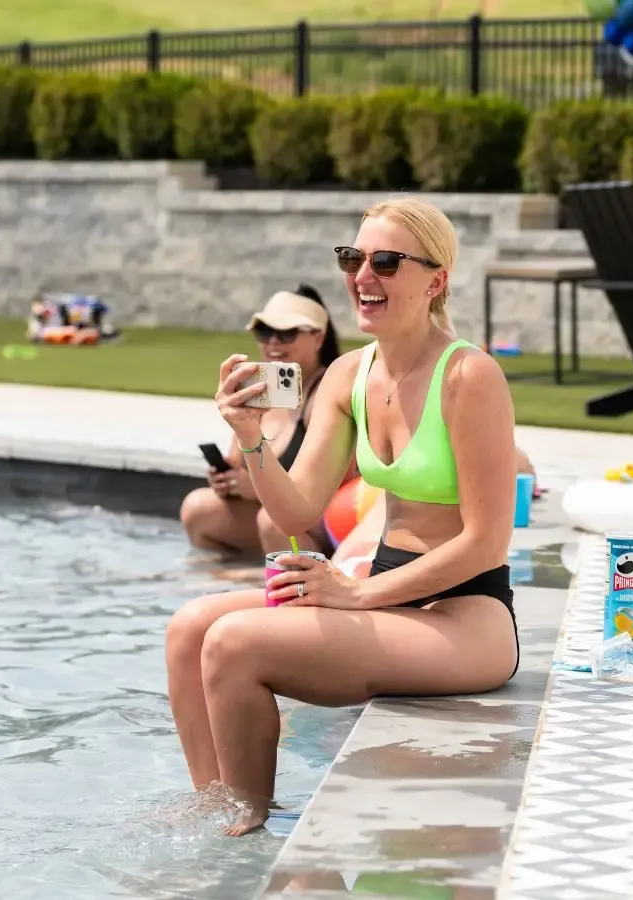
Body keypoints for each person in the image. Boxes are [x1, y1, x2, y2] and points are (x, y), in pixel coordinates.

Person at [165, 196, 519, 836]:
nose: (364, 276)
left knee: (235, 641)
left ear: (435, 280)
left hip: (466, 617)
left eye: (386, 261)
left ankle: (245, 834)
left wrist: (358, 593)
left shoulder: (469, 375)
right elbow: (297, 507)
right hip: (387, 600)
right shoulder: (348, 375)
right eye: (354, 258)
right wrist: (250, 436)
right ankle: (214, 805)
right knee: (190, 627)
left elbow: (488, 541)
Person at [179, 284, 342, 556]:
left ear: (318, 338)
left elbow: (330, 488)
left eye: (287, 333)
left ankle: (274, 581)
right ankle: (239, 575)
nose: (273, 343)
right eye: (264, 332)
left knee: (273, 522)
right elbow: (237, 462)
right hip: (275, 519)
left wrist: (254, 487)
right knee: (198, 510)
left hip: (323, 519)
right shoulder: (260, 389)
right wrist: (227, 479)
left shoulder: (329, 390)